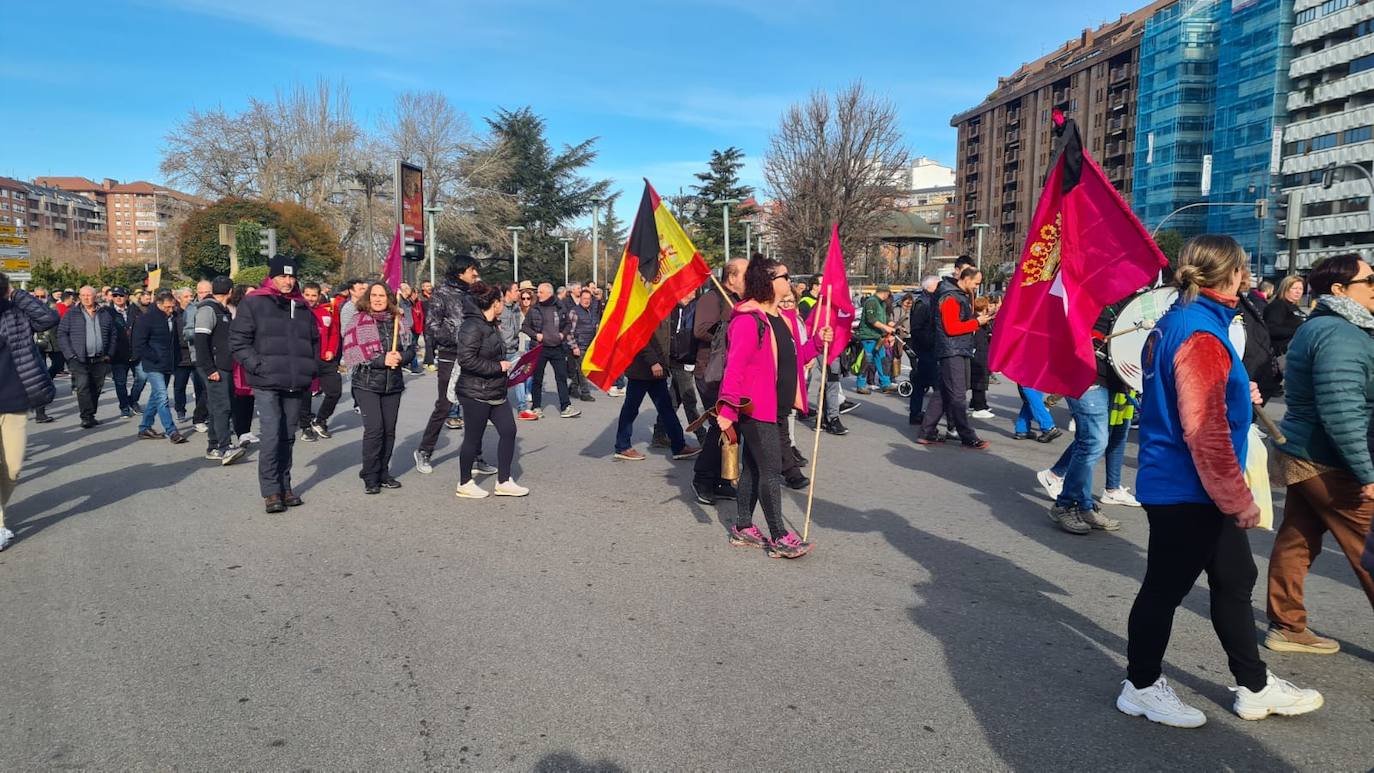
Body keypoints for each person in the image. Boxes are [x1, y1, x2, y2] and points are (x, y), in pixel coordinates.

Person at [1118, 234, 1322, 729]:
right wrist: (1238, 498)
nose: (1248, 276)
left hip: (1186, 484)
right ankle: (1141, 685)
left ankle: (1253, 685)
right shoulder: (1200, 332)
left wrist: (1237, 388)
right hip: (1189, 489)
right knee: (1165, 589)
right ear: (1232, 274)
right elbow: (1204, 430)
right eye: (1244, 268)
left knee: (1235, 580)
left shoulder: (1183, 322)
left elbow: (1190, 396)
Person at [1265, 254, 1374, 655]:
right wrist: (1367, 475)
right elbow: (1341, 410)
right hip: (1326, 458)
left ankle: (1288, 626)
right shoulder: (1339, 334)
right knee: (1367, 546)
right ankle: (1287, 625)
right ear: (1340, 290)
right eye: (1370, 280)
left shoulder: (1331, 327)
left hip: (1307, 453)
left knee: (1298, 538)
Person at [716, 256, 831, 559]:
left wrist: (817, 342)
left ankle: (742, 526)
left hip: (776, 406)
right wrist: (727, 411)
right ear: (768, 282)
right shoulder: (747, 320)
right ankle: (779, 535)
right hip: (756, 409)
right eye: (784, 276)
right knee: (770, 470)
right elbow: (734, 368)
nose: (789, 281)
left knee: (754, 470)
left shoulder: (779, 317)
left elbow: (793, 358)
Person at [230, 255, 320, 514]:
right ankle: (271, 491)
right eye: (283, 276)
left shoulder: (302, 306)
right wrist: (257, 365)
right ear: (272, 276)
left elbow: (313, 341)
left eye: (292, 277)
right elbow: (238, 341)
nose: (288, 281)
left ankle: (285, 485)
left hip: (295, 381)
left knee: (288, 436)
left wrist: (310, 368)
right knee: (271, 435)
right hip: (267, 381)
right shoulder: (254, 302)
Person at [1038, 303, 1134, 534]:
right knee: (1094, 441)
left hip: (1111, 377)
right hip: (1083, 374)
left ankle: (1084, 505)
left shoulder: (1128, 296)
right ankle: (1064, 504)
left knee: (1087, 441)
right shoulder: (1083, 292)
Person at [416, 257, 494, 474]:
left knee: (475, 405)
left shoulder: (473, 294)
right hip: (451, 356)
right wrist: (460, 338)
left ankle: (476, 456)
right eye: (472, 270)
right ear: (460, 272)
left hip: (474, 356)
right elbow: (431, 326)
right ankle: (424, 451)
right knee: (445, 404)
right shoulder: (442, 293)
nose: (475, 274)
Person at [0, 273, 59, 552]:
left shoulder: (16, 313)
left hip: (14, 402)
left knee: (13, 468)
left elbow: (48, 319)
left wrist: (17, 293)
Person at [453, 282, 528, 498]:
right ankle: (464, 483)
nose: (503, 305)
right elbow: (466, 359)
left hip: (496, 389)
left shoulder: (491, 325)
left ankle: (504, 481)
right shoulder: (472, 326)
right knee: (473, 439)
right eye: (501, 301)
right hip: (475, 392)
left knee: (508, 431)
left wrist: (510, 367)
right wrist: (498, 367)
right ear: (494, 303)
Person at [342, 283, 415, 495]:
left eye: (381, 295)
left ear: (389, 298)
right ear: (368, 297)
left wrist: (402, 357)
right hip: (366, 383)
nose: (377, 299)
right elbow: (353, 352)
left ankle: (383, 472)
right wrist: (383, 359)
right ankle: (370, 474)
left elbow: (410, 347)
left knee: (389, 431)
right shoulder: (358, 319)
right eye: (373, 295)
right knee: (375, 429)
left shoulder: (398, 320)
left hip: (393, 383)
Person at [691, 258, 749, 505]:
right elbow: (700, 330)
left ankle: (721, 480)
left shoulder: (738, 301)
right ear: (732, 277)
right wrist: (733, 325)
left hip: (730, 373)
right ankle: (702, 478)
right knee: (720, 425)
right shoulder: (711, 298)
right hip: (710, 373)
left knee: (731, 427)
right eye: (746, 275)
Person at [917, 268, 990, 449]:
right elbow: (951, 328)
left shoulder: (956, 294)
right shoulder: (951, 297)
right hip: (952, 350)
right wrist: (976, 323)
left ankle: (926, 432)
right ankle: (967, 436)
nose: (977, 287)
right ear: (965, 279)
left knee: (943, 392)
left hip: (957, 348)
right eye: (976, 283)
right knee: (958, 395)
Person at [612, 315, 702, 462]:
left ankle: (679, 446)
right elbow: (639, 337)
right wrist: (653, 361)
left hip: (658, 371)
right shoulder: (644, 308)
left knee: (666, 409)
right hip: (641, 370)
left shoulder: (663, 309)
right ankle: (622, 446)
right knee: (631, 408)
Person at [193, 276, 245, 466]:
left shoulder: (221, 310)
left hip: (224, 366)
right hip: (214, 368)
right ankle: (224, 448)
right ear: (230, 292)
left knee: (217, 407)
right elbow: (200, 341)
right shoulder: (208, 310)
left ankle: (214, 446)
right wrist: (209, 368)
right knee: (222, 407)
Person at [132, 290, 188, 444]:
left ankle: (144, 427)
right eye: (167, 307)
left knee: (155, 397)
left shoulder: (174, 317)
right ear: (158, 305)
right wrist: (154, 357)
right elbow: (139, 344)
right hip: (153, 364)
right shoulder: (147, 319)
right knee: (162, 397)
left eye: (172, 307)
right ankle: (172, 431)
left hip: (168, 363)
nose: (170, 310)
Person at [57, 285, 117, 429]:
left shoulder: (104, 313)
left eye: (89, 295)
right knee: (83, 386)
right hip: (79, 359)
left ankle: (91, 414)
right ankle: (86, 417)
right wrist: (70, 354)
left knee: (96, 387)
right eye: (83, 295)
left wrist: (109, 353)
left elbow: (113, 334)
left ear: (95, 296)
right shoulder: (72, 314)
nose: (85, 298)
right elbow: (62, 334)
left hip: (100, 358)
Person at [523, 282, 580, 419]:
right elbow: (525, 326)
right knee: (537, 379)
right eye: (538, 292)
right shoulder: (534, 309)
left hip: (557, 348)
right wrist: (535, 335)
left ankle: (565, 406)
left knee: (561, 377)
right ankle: (536, 407)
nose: (538, 294)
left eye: (541, 292)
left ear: (549, 293)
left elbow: (568, 324)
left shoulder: (560, 306)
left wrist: (562, 334)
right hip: (539, 348)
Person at [298, 282, 343, 441]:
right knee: (304, 394)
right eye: (307, 295)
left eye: (313, 295)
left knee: (335, 391)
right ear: (302, 294)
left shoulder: (325, 312)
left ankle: (320, 420)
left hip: (324, 358)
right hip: (304, 358)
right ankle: (305, 426)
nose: (310, 298)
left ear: (319, 296)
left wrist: (331, 349)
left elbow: (334, 333)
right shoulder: (296, 311)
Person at [173, 285, 209, 431]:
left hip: (196, 356)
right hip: (181, 356)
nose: (189, 299)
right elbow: (179, 334)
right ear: (179, 298)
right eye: (186, 297)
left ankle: (201, 413)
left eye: (190, 296)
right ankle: (180, 409)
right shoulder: (175, 313)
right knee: (180, 385)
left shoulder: (200, 309)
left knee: (201, 386)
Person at [106, 287, 144, 419]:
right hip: (118, 353)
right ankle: (124, 406)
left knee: (142, 378)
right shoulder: (107, 312)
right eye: (115, 295)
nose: (118, 298)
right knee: (120, 382)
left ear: (127, 296)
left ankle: (133, 400)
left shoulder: (136, 309)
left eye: (121, 295)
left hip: (136, 351)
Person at [226, 285, 257, 446]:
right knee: (239, 395)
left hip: (253, 356)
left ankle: (247, 429)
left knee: (250, 396)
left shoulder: (258, 311)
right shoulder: (232, 310)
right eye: (250, 294)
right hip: (237, 358)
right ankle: (240, 430)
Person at [855, 284, 897, 394]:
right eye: (888, 293)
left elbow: (884, 318)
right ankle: (861, 385)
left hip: (879, 337)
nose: (888, 296)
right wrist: (886, 327)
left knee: (882, 359)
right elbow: (871, 319)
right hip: (868, 336)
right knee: (866, 360)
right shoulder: (871, 302)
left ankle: (885, 383)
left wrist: (891, 323)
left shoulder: (882, 304)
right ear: (884, 292)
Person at [1263, 275, 1307, 359]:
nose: (1298, 292)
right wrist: (1299, 331)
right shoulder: (1278, 305)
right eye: (1294, 288)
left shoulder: (1295, 307)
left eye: (1301, 289)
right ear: (1285, 288)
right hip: (1283, 353)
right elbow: (1271, 329)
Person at [567, 288, 598, 402]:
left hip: (589, 345)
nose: (586, 301)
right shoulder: (574, 312)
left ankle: (573, 388)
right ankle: (585, 393)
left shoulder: (592, 312)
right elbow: (569, 331)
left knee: (578, 369)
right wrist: (574, 346)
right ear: (580, 299)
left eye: (588, 299)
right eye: (584, 298)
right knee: (583, 370)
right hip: (579, 345)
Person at [968, 295, 995, 418]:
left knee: (980, 379)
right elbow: (978, 339)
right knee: (979, 380)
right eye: (988, 306)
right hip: (979, 353)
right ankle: (979, 407)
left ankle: (978, 403)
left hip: (982, 352)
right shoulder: (977, 320)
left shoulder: (981, 319)